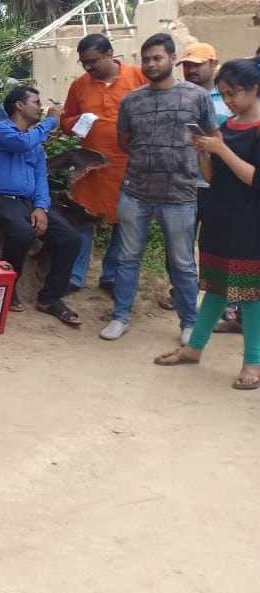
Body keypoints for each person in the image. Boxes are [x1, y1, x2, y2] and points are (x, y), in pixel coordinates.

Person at [151, 59, 260, 388]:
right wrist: (203, 152)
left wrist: (221, 150)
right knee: (215, 287)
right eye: (224, 94)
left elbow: (255, 179)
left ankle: (253, 364)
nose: (228, 101)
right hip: (219, 218)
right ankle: (194, 349)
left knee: (251, 295)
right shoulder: (227, 128)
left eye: (234, 94)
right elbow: (214, 177)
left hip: (249, 224)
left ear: (255, 89)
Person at [101, 33, 217, 343]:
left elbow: (211, 140)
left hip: (180, 194)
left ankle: (189, 323)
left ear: (172, 59)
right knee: (127, 258)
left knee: (182, 262)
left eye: (158, 58)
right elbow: (125, 142)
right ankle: (121, 316)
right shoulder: (132, 100)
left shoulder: (197, 97)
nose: (151, 64)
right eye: (146, 59)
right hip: (135, 191)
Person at [0, 86, 83, 325]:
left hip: (28, 203)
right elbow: (22, 143)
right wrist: (51, 122)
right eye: (36, 102)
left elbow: (40, 181)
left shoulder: (34, 145)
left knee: (70, 238)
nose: (40, 107)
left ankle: (49, 298)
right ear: (19, 105)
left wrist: (41, 208)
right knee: (22, 232)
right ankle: (7, 289)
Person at [61, 35, 147, 293]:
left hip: (129, 167)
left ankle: (110, 276)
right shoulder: (79, 85)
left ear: (110, 54)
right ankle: (74, 276)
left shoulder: (138, 78)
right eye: (83, 63)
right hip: (91, 169)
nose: (88, 67)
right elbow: (66, 122)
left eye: (92, 61)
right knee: (82, 218)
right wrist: (77, 122)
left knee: (125, 221)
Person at [178, 42, 240, 332]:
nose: (191, 69)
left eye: (198, 64)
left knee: (220, 246)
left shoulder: (229, 100)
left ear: (213, 64)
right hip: (187, 181)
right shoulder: (180, 96)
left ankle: (229, 305)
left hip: (222, 185)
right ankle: (184, 296)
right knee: (185, 246)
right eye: (187, 65)